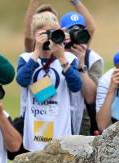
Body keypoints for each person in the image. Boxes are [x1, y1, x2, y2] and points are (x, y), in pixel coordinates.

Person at [17, 12, 82, 151]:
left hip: (60, 127)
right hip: (34, 127)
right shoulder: (26, 58)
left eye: (51, 33)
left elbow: (76, 86)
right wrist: (36, 53)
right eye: (42, 34)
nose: (47, 39)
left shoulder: (69, 58)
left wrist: (61, 57)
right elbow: (22, 80)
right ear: (35, 35)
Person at [60, 12, 104, 136]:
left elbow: (91, 98)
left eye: (80, 30)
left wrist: (81, 63)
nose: (76, 35)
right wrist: (60, 52)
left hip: (82, 121)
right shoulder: (53, 54)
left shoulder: (93, 58)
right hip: (57, 117)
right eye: (71, 30)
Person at [23, 0, 96, 51]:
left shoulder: (67, 49)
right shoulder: (35, 51)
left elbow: (90, 29)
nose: (49, 23)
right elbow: (28, 36)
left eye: (53, 19)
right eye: (44, 19)